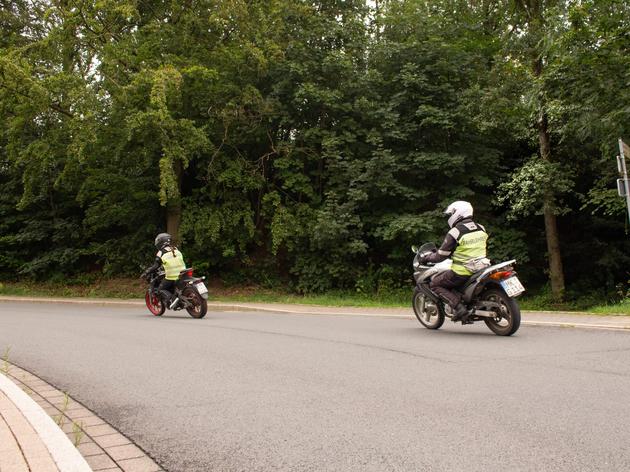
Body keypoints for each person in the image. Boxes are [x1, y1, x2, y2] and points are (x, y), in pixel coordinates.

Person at [419, 201, 488, 321]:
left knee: (435, 284)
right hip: (482, 267)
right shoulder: (481, 228)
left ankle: (459, 308)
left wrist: (426, 257)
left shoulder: (455, 232)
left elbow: (440, 256)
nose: (450, 216)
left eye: (451, 213)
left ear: (458, 214)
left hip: (462, 272)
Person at [142, 233, 186, 305]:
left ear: (160, 242)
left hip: (172, 276)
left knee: (161, 289)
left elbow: (156, 266)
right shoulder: (175, 249)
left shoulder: (161, 252)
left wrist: (146, 272)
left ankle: (173, 299)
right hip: (183, 273)